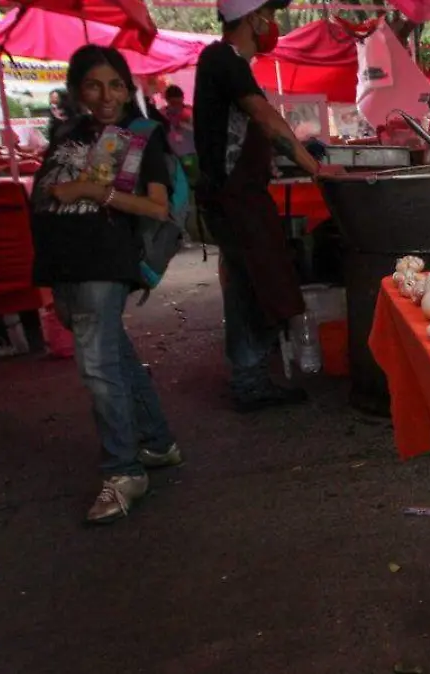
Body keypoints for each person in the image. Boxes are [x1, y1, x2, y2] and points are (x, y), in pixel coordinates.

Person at [30, 45, 182, 524]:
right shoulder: (66, 132)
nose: (106, 95)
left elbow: (158, 208)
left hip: (104, 261)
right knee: (112, 356)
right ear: (77, 90)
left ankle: (123, 471)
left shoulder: (143, 134)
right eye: (94, 85)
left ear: (127, 88)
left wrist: (97, 192)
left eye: (116, 84)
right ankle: (158, 443)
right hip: (62, 261)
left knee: (97, 368)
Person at [195, 0, 342, 412]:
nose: (272, 23)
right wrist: (315, 168)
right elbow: (264, 117)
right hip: (233, 197)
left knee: (250, 282)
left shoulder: (224, 62)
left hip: (239, 195)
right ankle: (249, 380)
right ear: (252, 18)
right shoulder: (222, 59)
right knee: (250, 285)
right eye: (268, 14)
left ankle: (251, 374)